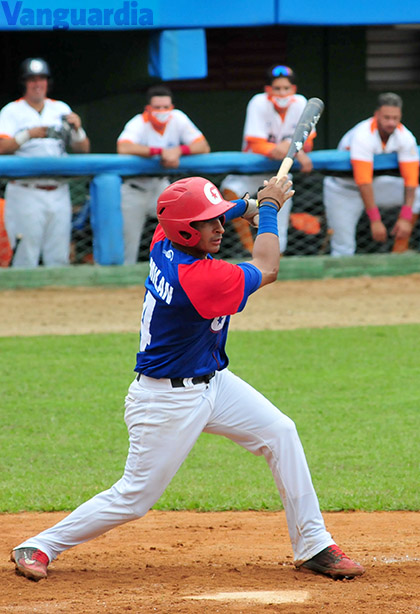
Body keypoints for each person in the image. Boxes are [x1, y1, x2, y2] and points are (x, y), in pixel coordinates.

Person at [10, 175, 364, 583]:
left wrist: (245, 205)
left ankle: (314, 545)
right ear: (185, 230)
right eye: (207, 222)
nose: (217, 228)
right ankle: (40, 545)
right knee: (134, 499)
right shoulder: (199, 278)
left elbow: (206, 212)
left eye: (216, 219)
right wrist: (267, 210)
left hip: (214, 381)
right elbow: (268, 267)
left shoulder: (164, 239)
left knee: (281, 432)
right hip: (166, 401)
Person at [0, 57, 90, 268]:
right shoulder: (11, 111)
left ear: (48, 82)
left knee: (58, 256)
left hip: (58, 190)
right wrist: (28, 135)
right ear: (24, 83)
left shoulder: (60, 108)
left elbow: (83, 149)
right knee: (24, 256)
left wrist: (77, 130)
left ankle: (57, 301)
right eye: (32, 79)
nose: (37, 83)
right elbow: (2, 147)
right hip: (25, 190)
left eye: (41, 78)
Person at [220, 64, 316, 254]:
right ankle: (248, 248)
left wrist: (293, 148)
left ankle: (275, 260)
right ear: (268, 90)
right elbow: (256, 143)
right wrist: (284, 148)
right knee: (230, 191)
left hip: (281, 173)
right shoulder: (258, 102)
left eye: (286, 88)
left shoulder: (300, 103)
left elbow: (309, 141)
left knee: (279, 225)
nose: (282, 93)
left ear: (293, 89)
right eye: (277, 88)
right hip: (251, 170)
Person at [117, 85, 210, 264]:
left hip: (160, 187)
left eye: (165, 107)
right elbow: (123, 147)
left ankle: (177, 271)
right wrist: (160, 151)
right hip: (134, 189)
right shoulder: (138, 122)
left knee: (179, 230)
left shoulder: (178, 118)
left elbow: (203, 146)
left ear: (171, 107)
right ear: (148, 109)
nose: (162, 111)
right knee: (128, 243)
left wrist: (179, 150)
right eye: (157, 108)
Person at [323, 92, 420, 257]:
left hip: (376, 186)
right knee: (343, 248)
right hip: (343, 190)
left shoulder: (405, 136)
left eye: (395, 118)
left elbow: (411, 180)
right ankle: (344, 281)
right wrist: (375, 220)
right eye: (386, 117)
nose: (391, 122)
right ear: (377, 115)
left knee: (417, 194)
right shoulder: (363, 134)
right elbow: (363, 181)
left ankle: (399, 250)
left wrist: (405, 216)